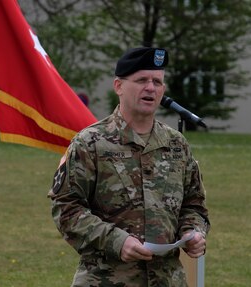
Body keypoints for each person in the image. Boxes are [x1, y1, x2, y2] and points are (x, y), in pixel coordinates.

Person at [48, 47, 210, 286]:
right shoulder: (90, 142)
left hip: (167, 280)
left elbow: (194, 205)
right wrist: (116, 241)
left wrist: (193, 232)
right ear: (119, 86)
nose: (150, 88)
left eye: (157, 82)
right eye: (141, 80)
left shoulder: (177, 144)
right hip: (106, 279)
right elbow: (66, 209)